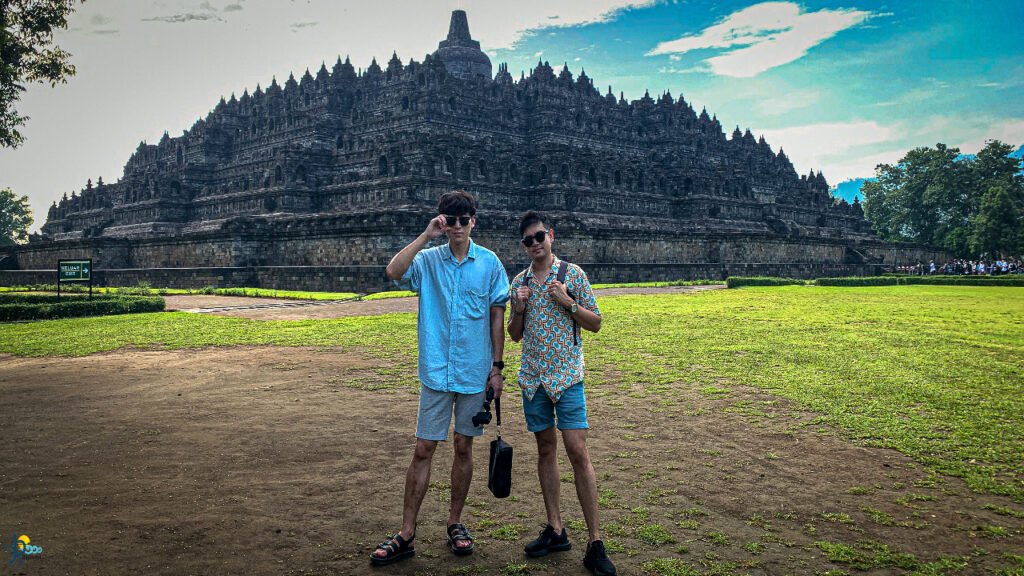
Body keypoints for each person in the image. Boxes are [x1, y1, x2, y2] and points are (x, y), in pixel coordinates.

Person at [372, 190, 510, 566]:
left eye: (464, 219)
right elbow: (393, 272)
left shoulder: (490, 263)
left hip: (473, 371)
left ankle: (455, 522)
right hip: (436, 370)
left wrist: (497, 368)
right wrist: (425, 235)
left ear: (474, 221)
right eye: (451, 219)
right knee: (423, 449)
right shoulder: (428, 259)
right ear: (442, 221)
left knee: (464, 447)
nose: (458, 226)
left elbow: (497, 317)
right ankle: (407, 531)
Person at [507, 211, 617, 576]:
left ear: (551, 236)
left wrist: (567, 301)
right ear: (523, 246)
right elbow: (515, 334)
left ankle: (595, 540)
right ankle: (555, 528)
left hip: (568, 376)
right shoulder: (519, 281)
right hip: (533, 378)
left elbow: (596, 323)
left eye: (539, 237)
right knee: (545, 449)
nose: (535, 244)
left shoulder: (573, 275)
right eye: (528, 240)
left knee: (577, 451)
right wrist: (518, 308)